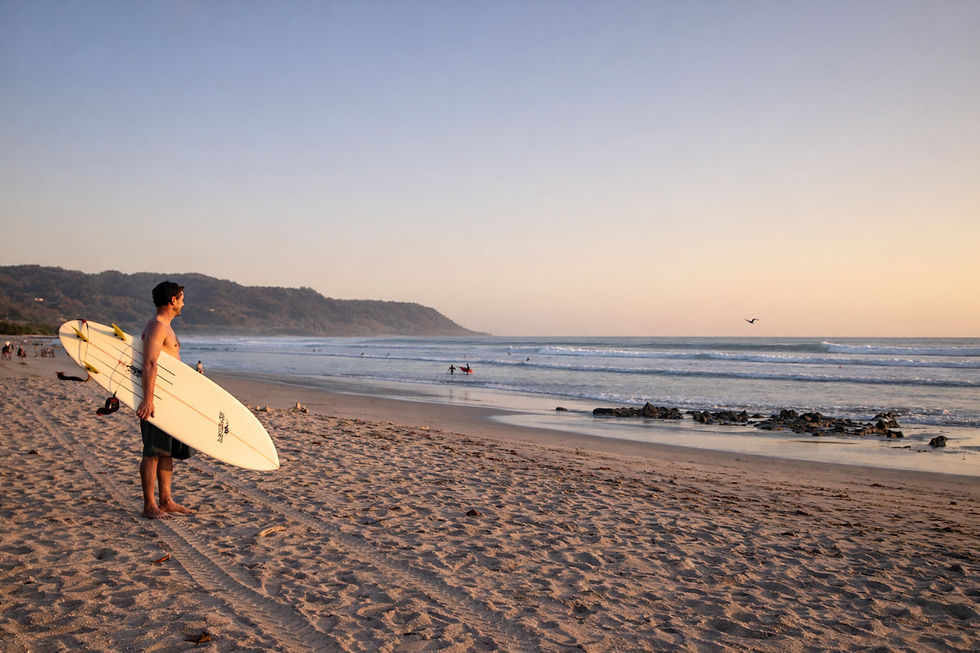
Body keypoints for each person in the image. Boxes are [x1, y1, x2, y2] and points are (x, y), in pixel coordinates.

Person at [135, 281, 194, 519]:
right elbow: (150, 362)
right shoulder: (157, 326)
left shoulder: (165, 327)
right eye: (180, 298)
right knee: (152, 452)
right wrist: (148, 400)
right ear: (172, 301)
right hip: (156, 398)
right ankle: (150, 506)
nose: (183, 303)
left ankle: (166, 500)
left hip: (169, 399)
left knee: (165, 452)